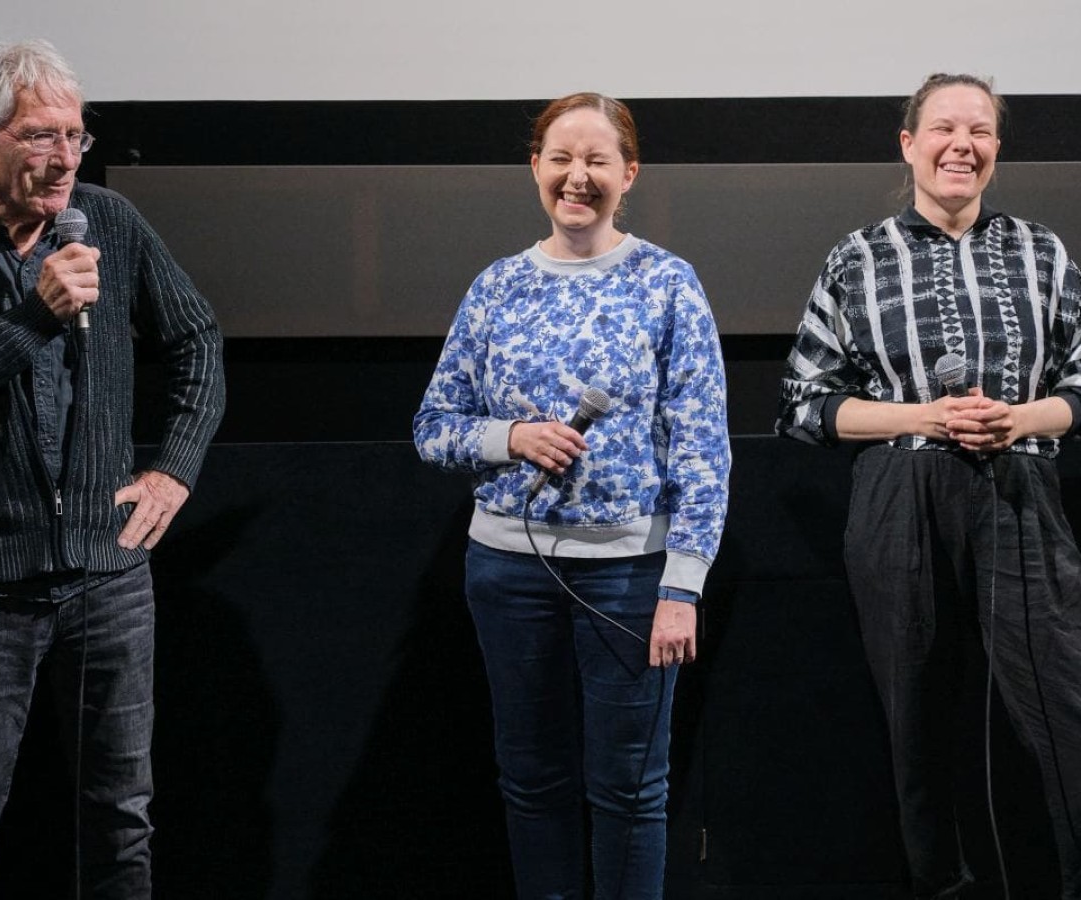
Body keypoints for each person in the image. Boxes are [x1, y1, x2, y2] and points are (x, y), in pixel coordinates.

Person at [0, 39, 225, 898]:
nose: (66, 157)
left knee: (122, 817)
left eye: (75, 135)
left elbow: (198, 342)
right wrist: (33, 318)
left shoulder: (107, 221)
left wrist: (173, 469)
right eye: (40, 136)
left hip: (108, 581)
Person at [414, 92, 730, 899]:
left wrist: (682, 588)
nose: (577, 177)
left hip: (628, 580)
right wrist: (509, 438)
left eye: (596, 161)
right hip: (506, 575)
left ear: (629, 174)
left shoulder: (667, 284)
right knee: (531, 783)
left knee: (631, 791)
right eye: (561, 158)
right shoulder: (497, 288)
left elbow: (702, 448)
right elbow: (432, 425)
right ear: (535, 169)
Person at [778, 73, 1081, 899]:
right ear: (908, 144)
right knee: (917, 716)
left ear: (996, 149)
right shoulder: (858, 256)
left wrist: (1019, 420)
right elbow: (806, 408)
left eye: (980, 131)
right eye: (943, 128)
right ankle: (942, 884)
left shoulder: (1041, 250)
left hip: (1018, 492)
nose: (963, 145)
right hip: (898, 497)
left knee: (1058, 702)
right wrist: (925, 415)